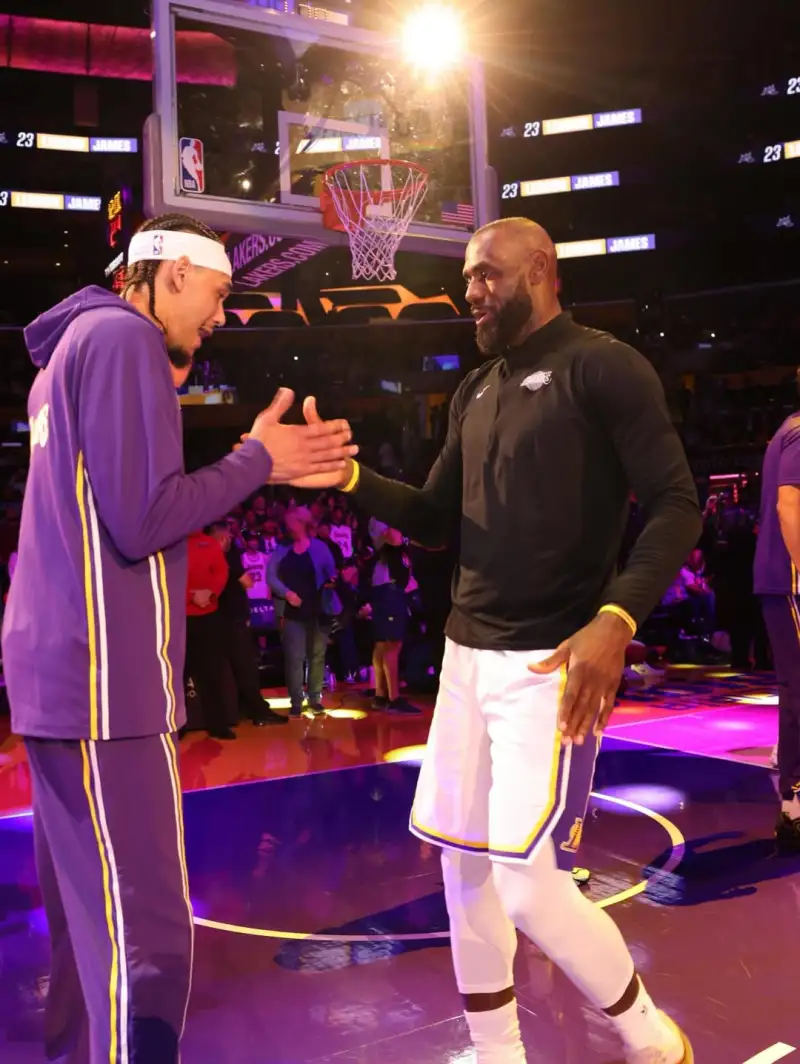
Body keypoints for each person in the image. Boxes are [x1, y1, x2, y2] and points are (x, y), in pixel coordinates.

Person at [290, 218, 700, 1062]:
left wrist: (617, 619)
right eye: (470, 276)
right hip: (466, 660)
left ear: (541, 269)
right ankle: (496, 1051)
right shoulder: (476, 389)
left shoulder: (604, 365)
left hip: (551, 663)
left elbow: (676, 503)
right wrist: (350, 477)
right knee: (463, 871)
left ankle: (651, 1038)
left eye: (487, 274)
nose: (471, 290)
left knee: (528, 889)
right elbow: (433, 519)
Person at [1, 213, 357, 1064]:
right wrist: (257, 459)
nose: (222, 316)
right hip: (106, 683)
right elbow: (144, 519)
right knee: (147, 940)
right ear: (170, 274)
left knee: (87, 931)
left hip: (57, 679)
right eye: (218, 293)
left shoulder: (64, 355)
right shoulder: (123, 339)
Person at [754, 390, 800, 855]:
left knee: (795, 689)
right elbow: (789, 505)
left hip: (781, 580)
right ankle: (794, 804)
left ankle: (792, 803)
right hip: (792, 581)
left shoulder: (787, 429)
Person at [209, 521, 285, 727]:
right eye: (228, 536)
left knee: (230, 669)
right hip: (232, 619)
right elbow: (247, 582)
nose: (231, 540)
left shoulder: (209, 556)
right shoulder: (227, 557)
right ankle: (258, 711)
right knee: (245, 668)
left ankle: (238, 710)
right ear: (222, 538)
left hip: (218, 619)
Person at [267, 506, 338, 717]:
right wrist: (287, 593)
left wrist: (332, 581)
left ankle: (315, 698)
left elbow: (332, 573)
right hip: (292, 610)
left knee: (317, 655)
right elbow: (270, 576)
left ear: (301, 523)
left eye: (292, 522)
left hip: (318, 609)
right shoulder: (282, 549)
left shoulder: (320, 547)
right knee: (294, 657)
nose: (288, 526)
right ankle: (296, 700)